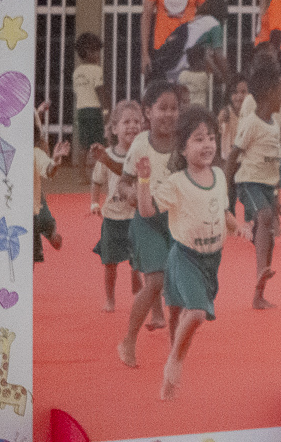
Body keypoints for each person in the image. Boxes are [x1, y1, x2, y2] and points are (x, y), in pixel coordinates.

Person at [140, 106, 243, 400]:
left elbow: (223, 211)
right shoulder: (177, 183)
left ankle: (169, 382)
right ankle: (174, 364)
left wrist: (240, 228)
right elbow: (147, 211)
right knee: (195, 312)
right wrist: (144, 181)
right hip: (185, 257)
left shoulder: (219, 176)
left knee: (179, 316)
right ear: (183, 148)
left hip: (212, 260)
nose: (207, 144)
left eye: (211, 137)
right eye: (198, 139)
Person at [117, 81, 180, 367]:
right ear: (148, 112)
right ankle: (128, 340)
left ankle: (175, 349)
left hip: (177, 221)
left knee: (177, 286)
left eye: (174, 108)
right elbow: (124, 182)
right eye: (162, 108)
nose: (169, 114)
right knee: (155, 281)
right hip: (146, 221)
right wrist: (131, 194)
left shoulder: (183, 142)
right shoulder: (141, 143)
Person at [226, 60, 281, 309]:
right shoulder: (251, 122)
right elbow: (233, 156)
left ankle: (259, 295)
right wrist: (224, 189)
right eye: (280, 92)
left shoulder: (274, 125)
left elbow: (274, 166)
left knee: (269, 235)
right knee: (263, 215)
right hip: (248, 183)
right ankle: (261, 268)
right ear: (268, 94)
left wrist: (277, 196)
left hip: (267, 186)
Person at [89, 100, 145, 312]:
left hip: (136, 217)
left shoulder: (142, 154)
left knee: (137, 260)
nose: (132, 126)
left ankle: (137, 289)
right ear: (114, 128)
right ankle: (110, 298)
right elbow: (97, 181)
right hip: (112, 218)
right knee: (110, 263)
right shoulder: (107, 155)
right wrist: (95, 202)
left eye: (137, 122)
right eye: (126, 122)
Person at [32, 119, 70, 263]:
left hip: (30, 213)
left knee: (29, 259)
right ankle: (50, 232)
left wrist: (54, 161)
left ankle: (51, 232)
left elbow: (49, 170)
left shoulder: (34, 153)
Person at [73, 32, 110, 163]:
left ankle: (81, 173)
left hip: (81, 111)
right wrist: (106, 111)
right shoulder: (96, 70)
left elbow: (78, 92)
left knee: (83, 144)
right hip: (94, 111)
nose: (99, 55)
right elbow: (100, 91)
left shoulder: (77, 72)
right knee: (99, 143)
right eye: (96, 52)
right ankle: (100, 170)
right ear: (88, 52)